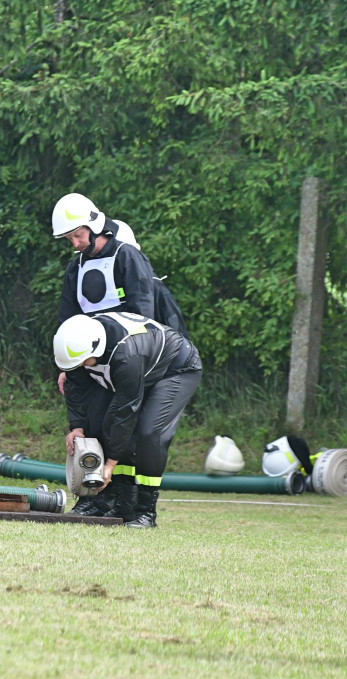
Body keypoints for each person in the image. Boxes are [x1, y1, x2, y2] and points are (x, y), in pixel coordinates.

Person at [52, 192, 186, 516]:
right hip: (90, 359)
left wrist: (141, 366)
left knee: (125, 425)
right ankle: (93, 498)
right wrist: (64, 364)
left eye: (77, 235)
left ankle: (124, 504)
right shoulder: (76, 268)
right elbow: (67, 319)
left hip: (128, 358)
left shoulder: (127, 257)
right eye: (70, 238)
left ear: (95, 227)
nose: (74, 243)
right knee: (93, 422)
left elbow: (144, 313)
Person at [53, 312, 201, 528]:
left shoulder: (125, 356)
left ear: (96, 349)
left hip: (175, 368)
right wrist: (77, 427)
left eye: (85, 362)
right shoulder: (78, 346)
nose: (83, 366)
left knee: (148, 432)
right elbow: (76, 389)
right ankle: (120, 506)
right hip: (141, 366)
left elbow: (125, 412)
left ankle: (145, 511)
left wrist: (110, 463)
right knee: (99, 422)